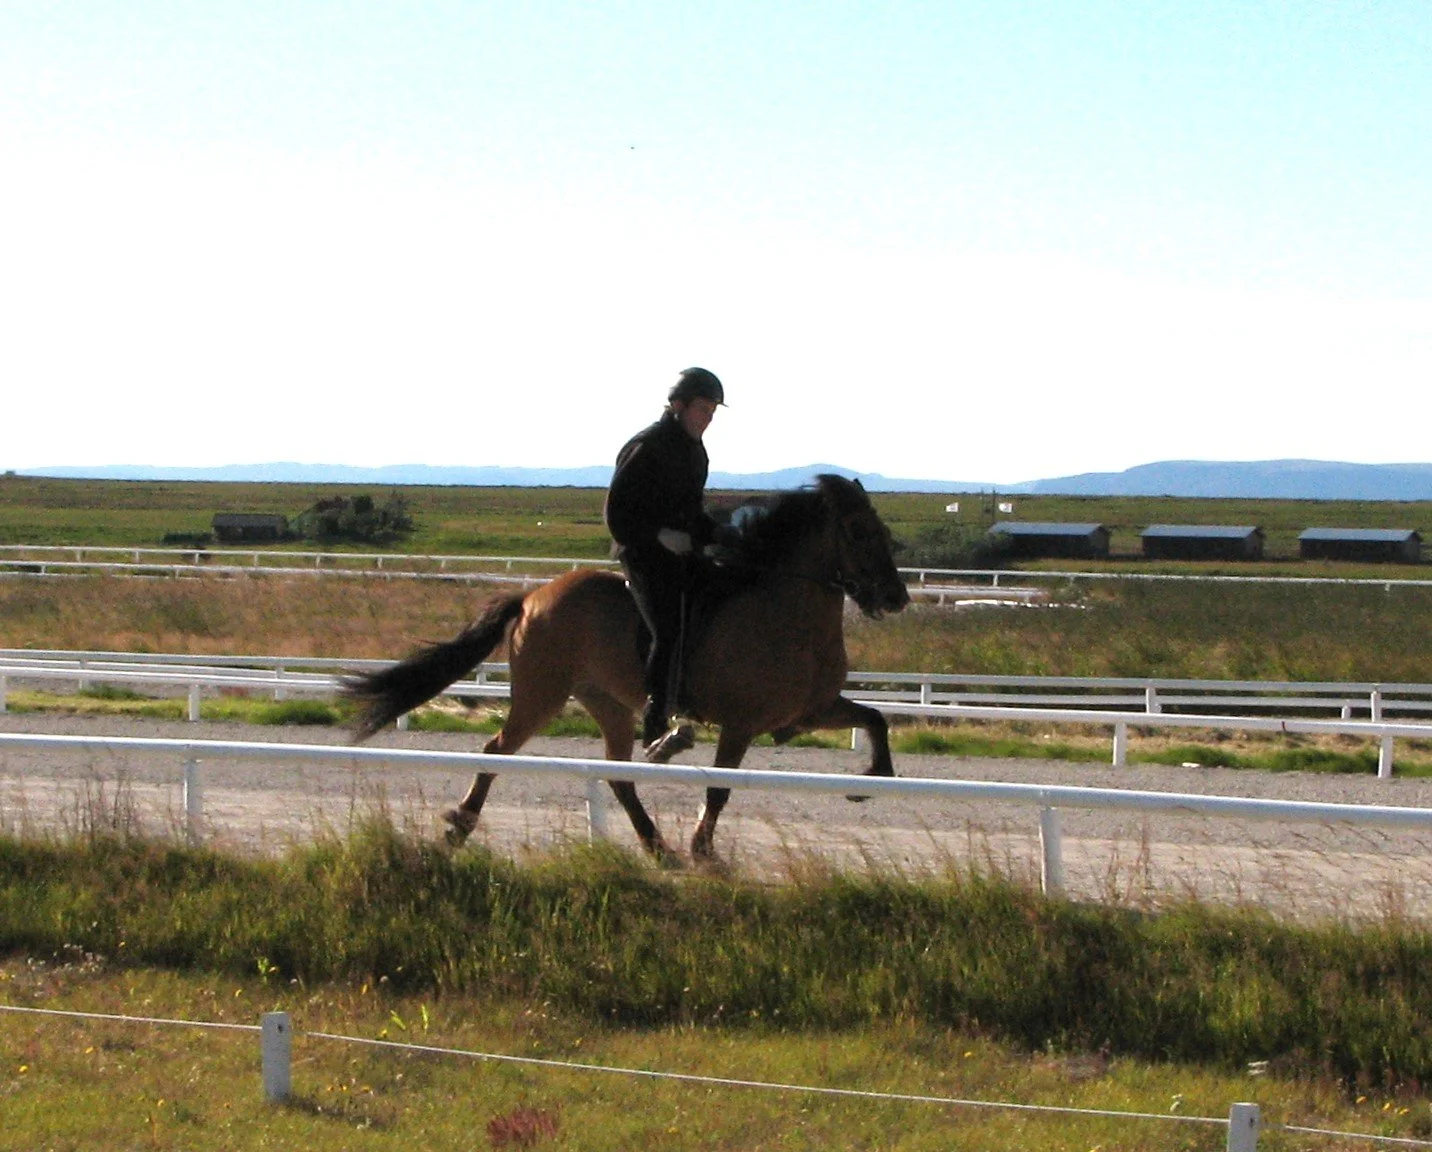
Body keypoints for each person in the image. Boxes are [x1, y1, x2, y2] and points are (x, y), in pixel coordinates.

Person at [604, 367, 725, 761]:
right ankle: (656, 723)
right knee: (669, 628)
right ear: (678, 406)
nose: (707, 418)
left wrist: (723, 535)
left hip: (682, 552)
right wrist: (657, 536)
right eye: (702, 409)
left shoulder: (696, 453)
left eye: (712, 412)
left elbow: (693, 513)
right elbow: (617, 514)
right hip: (642, 555)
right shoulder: (647, 447)